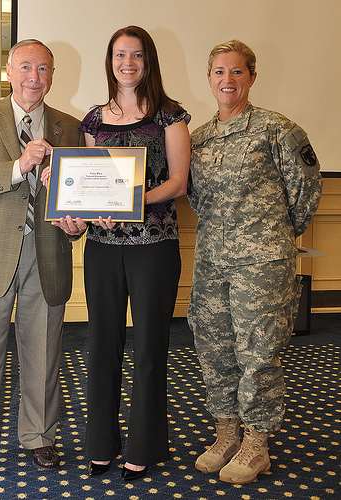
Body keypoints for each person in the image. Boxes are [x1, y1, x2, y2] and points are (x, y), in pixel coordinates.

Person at [45, 25, 190, 480]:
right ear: (109, 61)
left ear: (149, 62)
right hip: (103, 249)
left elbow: (178, 184)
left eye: (137, 56)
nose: (127, 63)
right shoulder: (93, 120)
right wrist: (93, 210)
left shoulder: (170, 115)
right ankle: (102, 443)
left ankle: (144, 446)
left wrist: (132, 201)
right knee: (101, 346)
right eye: (119, 55)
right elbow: (92, 181)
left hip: (154, 247)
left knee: (149, 349)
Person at [187, 39, 322, 484]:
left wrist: (274, 238)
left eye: (238, 72)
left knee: (259, 352)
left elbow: (305, 192)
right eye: (220, 72)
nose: (228, 80)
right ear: (209, 79)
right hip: (211, 262)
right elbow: (195, 198)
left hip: (262, 265)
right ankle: (227, 432)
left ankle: (256, 443)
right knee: (214, 348)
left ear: (252, 76)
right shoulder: (198, 139)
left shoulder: (276, 129)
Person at [0, 39, 84, 477]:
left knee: (44, 353)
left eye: (44, 69)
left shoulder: (69, 126)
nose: (35, 77)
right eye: (26, 67)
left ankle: (39, 435)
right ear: (9, 71)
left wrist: (78, 223)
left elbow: (78, 195)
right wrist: (16, 166)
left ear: (52, 75)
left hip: (47, 253)